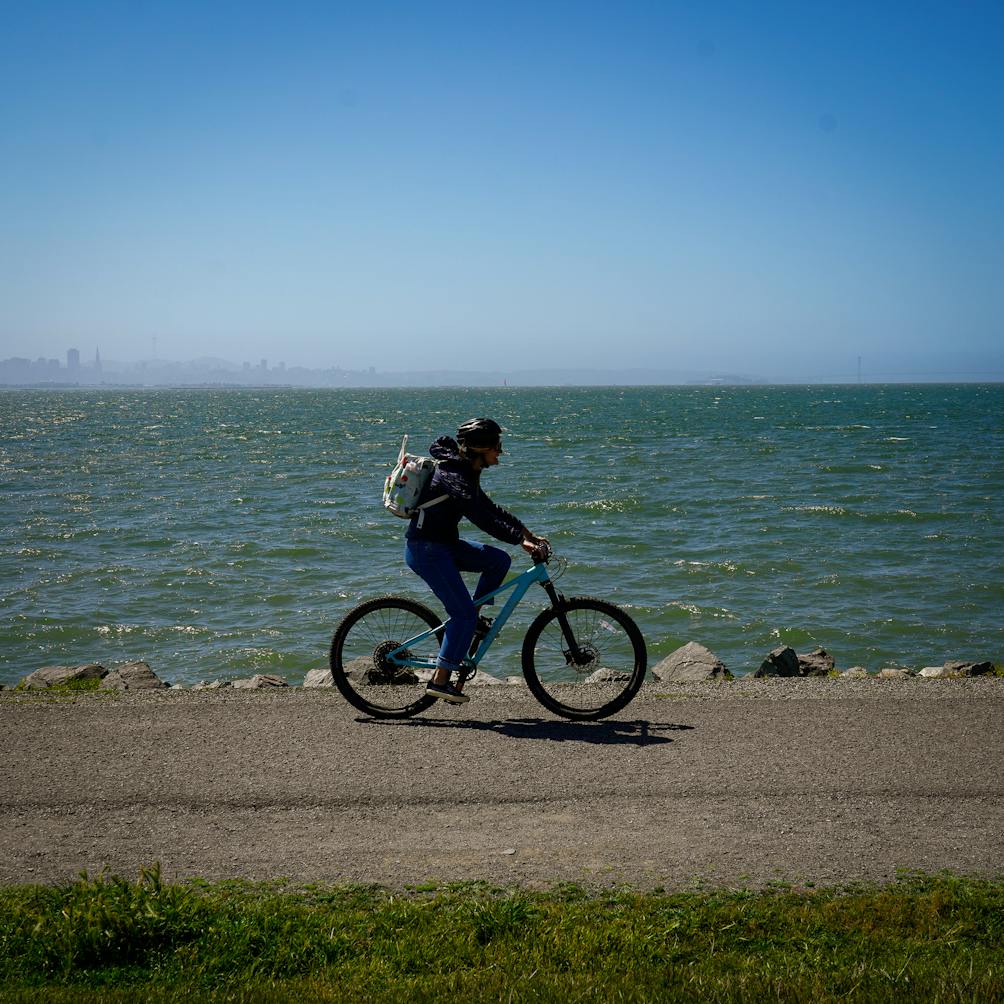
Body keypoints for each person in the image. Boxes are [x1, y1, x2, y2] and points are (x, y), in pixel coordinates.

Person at [404, 418, 548, 705]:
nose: (500, 452)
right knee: (462, 616)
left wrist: (526, 533)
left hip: (444, 545)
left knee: (497, 561)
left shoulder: (465, 471)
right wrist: (520, 540)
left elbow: (489, 507)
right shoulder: (453, 474)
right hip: (428, 550)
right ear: (480, 447)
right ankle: (441, 681)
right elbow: (480, 517)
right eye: (497, 446)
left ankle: (474, 618)